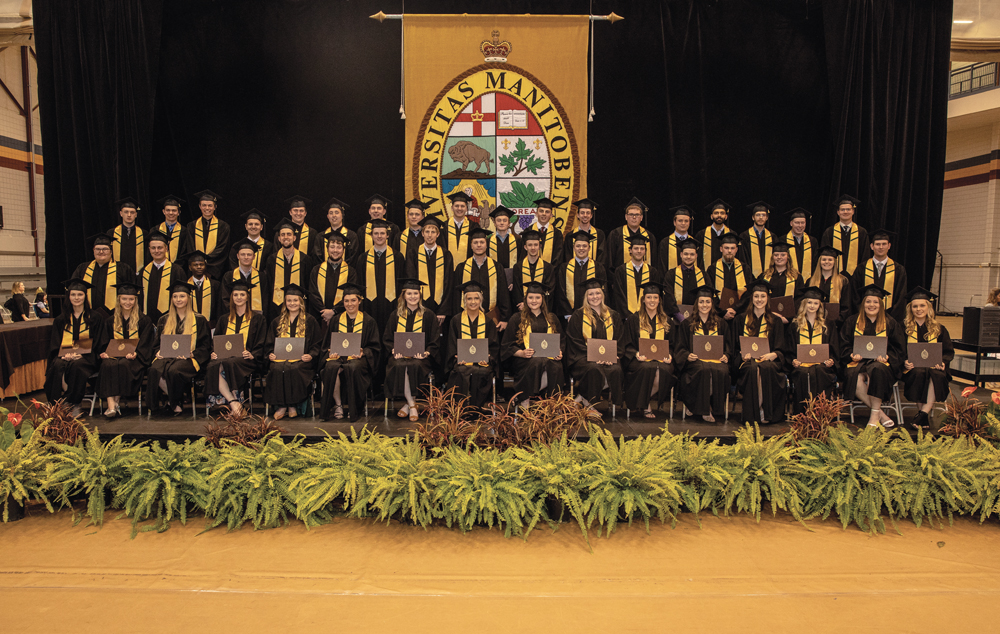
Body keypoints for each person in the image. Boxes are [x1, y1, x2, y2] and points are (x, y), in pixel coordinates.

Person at [839, 284, 906, 429]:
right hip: (857, 362)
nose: (871, 305)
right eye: (868, 301)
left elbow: (899, 348)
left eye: (875, 302)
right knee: (853, 376)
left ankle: (874, 415)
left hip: (881, 363)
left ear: (881, 305)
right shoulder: (852, 321)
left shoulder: (890, 322)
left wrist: (888, 356)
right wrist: (850, 354)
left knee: (877, 369)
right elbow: (843, 343)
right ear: (863, 303)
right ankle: (880, 413)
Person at [147, 282, 212, 416]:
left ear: (188, 298)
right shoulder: (164, 319)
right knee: (154, 370)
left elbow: (206, 345)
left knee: (175, 370)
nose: (178, 300)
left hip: (189, 358)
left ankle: (174, 403)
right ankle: (176, 400)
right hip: (166, 357)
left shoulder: (199, 319)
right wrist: (158, 351)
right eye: (175, 297)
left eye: (182, 296)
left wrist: (192, 354)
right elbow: (156, 343)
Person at [319, 282, 381, 422]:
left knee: (353, 366)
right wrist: (330, 352)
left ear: (359, 301)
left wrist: (363, 352)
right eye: (346, 301)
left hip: (358, 359)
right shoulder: (335, 320)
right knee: (331, 366)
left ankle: (355, 409)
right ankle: (338, 405)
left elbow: (375, 347)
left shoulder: (369, 321)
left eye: (353, 300)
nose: (349, 304)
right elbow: (327, 344)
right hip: (338, 357)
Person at [204, 279, 266, 416]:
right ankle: (234, 402)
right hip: (226, 358)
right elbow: (217, 340)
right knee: (212, 365)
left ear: (247, 297)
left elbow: (262, 341)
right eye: (236, 295)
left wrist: (253, 354)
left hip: (246, 360)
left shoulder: (257, 319)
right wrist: (214, 352)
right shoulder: (224, 319)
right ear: (231, 297)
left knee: (229, 362)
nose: (239, 298)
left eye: (242, 295)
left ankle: (233, 403)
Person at [94, 282, 155, 419]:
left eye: (131, 299)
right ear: (119, 300)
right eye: (124, 299)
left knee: (122, 364)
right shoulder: (110, 321)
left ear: (135, 300)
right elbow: (104, 341)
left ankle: (115, 403)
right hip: (114, 357)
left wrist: (136, 353)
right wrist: (104, 352)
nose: (128, 302)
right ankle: (112, 404)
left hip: (134, 360)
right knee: (107, 364)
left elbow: (146, 343)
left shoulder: (144, 320)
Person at [501, 282, 565, 408]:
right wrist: (521, 353)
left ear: (543, 299)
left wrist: (560, 352)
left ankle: (553, 404)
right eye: (530, 297)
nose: (534, 301)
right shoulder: (516, 318)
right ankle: (524, 400)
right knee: (535, 362)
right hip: (524, 360)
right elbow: (506, 344)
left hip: (548, 359)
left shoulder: (552, 318)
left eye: (537, 297)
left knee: (556, 366)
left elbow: (561, 340)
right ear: (525, 299)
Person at [384, 279, 441, 420]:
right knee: (400, 364)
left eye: (415, 293)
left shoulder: (429, 315)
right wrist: (393, 349)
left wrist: (427, 352)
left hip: (420, 357)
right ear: (403, 295)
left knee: (414, 364)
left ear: (420, 295)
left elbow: (435, 339)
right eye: (409, 293)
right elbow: (387, 338)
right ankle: (412, 405)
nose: (412, 296)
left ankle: (408, 404)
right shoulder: (395, 315)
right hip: (399, 356)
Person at [264, 284, 322, 420]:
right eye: (289, 300)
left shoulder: (310, 321)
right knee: (277, 368)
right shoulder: (277, 321)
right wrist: (270, 354)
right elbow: (269, 344)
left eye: (295, 300)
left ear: (301, 302)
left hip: (302, 361)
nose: (292, 303)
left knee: (295, 368)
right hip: (280, 359)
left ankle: (292, 405)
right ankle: (283, 406)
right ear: (285, 302)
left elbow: (317, 344)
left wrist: (311, 355)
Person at [733, 278, 787, 424]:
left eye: (762, 296)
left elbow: (781, 348)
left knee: (764, 367)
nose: (759, 299)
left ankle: (755, 412)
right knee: (753, 368)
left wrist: (773, 354)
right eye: (756, 296)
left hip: (768, 361)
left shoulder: (776, 321)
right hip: (746, 362)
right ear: (751, 298)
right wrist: (742, 355)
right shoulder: (740, 319)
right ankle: (760, 411)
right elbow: (733, 347)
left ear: (768, 298)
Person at [564, 278, 624, 410]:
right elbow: (574, 340)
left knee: (616, 369)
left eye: (597, 293)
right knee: (594, 368)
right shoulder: (578, 316)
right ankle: (590, 406)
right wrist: (593, 356)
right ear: (586, 297)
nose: (594, 297)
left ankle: (581, 398)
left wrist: (611, 356)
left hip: (608, 358)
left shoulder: (613, 315)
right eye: (590, 294)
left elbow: (619, 339)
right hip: (583, 357)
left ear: (603, 295)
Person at [675, 286, 733, 422]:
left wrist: (726, 355)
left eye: (707, 301)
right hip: (695, 362)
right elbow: (680, 347)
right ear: (696, 304)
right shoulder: (687, 324)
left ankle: (697, 405)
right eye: (701, 302)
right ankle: (703, 408)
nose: (704, 305)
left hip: (716, 361)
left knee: (722, 371)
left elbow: (728, 346)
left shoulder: (721, 323)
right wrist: (687, 355)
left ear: (712, 304)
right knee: (704, 369)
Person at [44, 279, 100, 417]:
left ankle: (73, 404)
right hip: (64, 355)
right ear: (68, 297)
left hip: (86, 357)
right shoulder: (61, 319)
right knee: (57, 365)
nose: (76, 298)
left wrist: (83, 354)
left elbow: (98, 342)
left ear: (85, 296)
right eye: (73, 295)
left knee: (77, 366)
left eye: (80, 295)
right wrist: (63, 355)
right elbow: (55, 343)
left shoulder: (95, 318)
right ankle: (56, 404)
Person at [621, 281, 676, 418]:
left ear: (659, 300)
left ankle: (638, 401)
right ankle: (646, 405)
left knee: (662, 371)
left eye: (655, 297)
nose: (652, 300)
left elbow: (674, 344)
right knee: (646, 368)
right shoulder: (634, 319)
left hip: (661, 360)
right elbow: (626, 343)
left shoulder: (667, 321)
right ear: (643, 299)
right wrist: (636, 353)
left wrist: (670, 355)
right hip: (639, 359)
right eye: (649, 297)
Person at [902, 287, 955, 428]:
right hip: (913, 368)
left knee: (935, 374)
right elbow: (898, 349)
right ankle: (923, 415)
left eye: (922, 305)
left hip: (934, 367)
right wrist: (904, 362)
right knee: (919, 373)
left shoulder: (939, 328)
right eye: (915, 306)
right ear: (910, 308)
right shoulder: (904, 328)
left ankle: (922, 414)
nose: (918, 309)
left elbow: (948, 351)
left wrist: (943, 362)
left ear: (928, 307)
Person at [444, 280, 501, 409]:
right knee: (460, 370)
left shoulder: (488, 322)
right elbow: (452, 343)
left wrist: (488, 356)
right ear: (465, 301)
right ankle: (460, 409)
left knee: (482, 371)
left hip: (482, 362)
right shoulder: (456, 320)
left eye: (476, 298)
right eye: (469, 298)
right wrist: (456, 357)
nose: (473, 302)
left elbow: (494, 345)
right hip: (462, 362)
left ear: (481, 300)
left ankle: (476, 408)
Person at [784, 286, 839, 415]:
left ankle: (821, 412)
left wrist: (831, 360)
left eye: (815, 303)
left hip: (822, 365)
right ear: (804, 304)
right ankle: (801, 414)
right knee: (803, 372)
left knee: (819, 370)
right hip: (801, 366)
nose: (812, 306)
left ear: (820, 305)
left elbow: (834, 347)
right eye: (809, 302)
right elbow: (789, 348)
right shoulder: (794, 325)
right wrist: (793, 361)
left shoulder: (828, 325)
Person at [453, 226, 511, 328]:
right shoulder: (461, 268)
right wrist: (457, 318)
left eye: (482, 242)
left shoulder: (497, 267)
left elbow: (503, 294)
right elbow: (456, 297)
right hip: (466, 318)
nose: (479, 245)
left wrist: (504, 318)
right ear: (471, 245)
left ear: (486, 245)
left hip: (491, 316)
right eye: (475, 243)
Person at [73, 233, 136, 318]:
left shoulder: (123, 269)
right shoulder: (82, 268)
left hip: (116, 317)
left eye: (105, 249)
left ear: (111, 251)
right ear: (93, 250)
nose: (101, 252)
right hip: (87, 317)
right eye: (98, 249)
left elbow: (132, 293)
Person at [405, 216, 454, 326]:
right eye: (427, 231)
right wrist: (415, 305)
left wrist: (443, 310)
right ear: (422, 233)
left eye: (433, 232)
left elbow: (449, 283)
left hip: (440, 307)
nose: (430, 235)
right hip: (419, 305)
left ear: (438, 234)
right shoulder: (413, 253)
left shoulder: (446, 255)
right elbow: (411, 280)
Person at [265, 220, 316, 323]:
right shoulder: (271, 260)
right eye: (283, 235)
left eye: (289, 234)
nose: (286, 237)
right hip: (277, 307)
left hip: (300, 306)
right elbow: (269, 283)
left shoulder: (305, 259)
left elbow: (307, 284)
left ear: (294, 238)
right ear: (279, 239)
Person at [852, 229, 907, 322]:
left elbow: (901, 297)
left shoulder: (899, 269)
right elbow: (855, 295)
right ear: (872, 246)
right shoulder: (861, 268)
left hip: (890, 319)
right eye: (877, 244)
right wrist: (862, 314)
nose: (881, 247)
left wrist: (890, 318)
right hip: (864, 318)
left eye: (884, 244)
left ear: (889, 246)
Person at [359, 219, 403, 336]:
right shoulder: (363, 258)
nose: (379, 236)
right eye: (376, 233)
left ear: (387, 235)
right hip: (369, 306)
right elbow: (360, 284)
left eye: (382, 233)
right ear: (371, 236)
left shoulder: (397, 257)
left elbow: (400, 284)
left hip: (392, 305)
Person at [308, 230, 358, 324]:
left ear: (343, 250)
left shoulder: (351, 272)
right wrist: (324, 312)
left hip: (342, 317)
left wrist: (334, 311)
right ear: (327, 249)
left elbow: (350, 294)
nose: (335, 250)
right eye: (332, 247)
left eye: (339, 247)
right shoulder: (316, 270)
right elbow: (313, 294)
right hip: (319, 317)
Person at [556, 231, 607, 319]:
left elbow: (604, 291)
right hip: (569, 317)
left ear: (589, 248)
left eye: (584, 246)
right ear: (574, 247)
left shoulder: (598, 267)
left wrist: (597, 312)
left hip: (593, 315)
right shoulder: (564, 268)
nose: (581, 248)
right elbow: (560, 292)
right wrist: (568, 314)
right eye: (578, 246)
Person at [612, 233, 664, 317]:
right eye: (636, 248)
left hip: (647, 317)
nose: (639, 251)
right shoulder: (620, 271)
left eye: (642, 249)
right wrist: (628, 316)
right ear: (630, 250)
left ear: (645, 251)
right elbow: (618, 296)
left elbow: (655, 296)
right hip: (625, 318)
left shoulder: (653, 272)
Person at [183, 190, 231, 280]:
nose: (207, 208)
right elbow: (191, 247)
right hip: (196, 268)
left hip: (215, 271)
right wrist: (198, 263)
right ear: (200, 206)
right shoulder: (191, 226)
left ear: (215, 207)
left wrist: (207, 264)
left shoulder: (224, 227)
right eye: (204, 205)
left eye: (210, 205)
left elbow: (222, 249)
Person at [140, 230, 184, 325]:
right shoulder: (144, 271)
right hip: (148, 321)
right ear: (149, 249)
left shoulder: (176, 271)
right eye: (153, 248)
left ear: (166, 248)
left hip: (172, 319)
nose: (156, 251)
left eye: (160, 248)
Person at [821, 194, 870, 276]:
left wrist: (860, 273)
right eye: (843, 210)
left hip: (856, 276)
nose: (845, 212)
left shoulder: (861, 232)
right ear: (838, 212)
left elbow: (865, 255)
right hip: (833, 275)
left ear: (853, 211)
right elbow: (824, 254)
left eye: (848, 209)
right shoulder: (829, 232)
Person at [511, 229, 555, 312]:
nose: (533, 248)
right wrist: (523, 304)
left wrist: (539, 305)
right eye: (530, 245)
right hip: (522, 309)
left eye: (535, 245)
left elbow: (550, 290)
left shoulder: (548, 267)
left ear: (539, 246)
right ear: (525, 247)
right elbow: (517, 289)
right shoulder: (518, 267)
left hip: (542, 310)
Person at [808, 245, 852, 329]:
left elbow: (846, 306)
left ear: (834, 262)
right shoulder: (811, 281)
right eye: (824, 259)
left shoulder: (843, 281)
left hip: (836, 326)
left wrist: (836, 321)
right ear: (819, 261)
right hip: (814, 324)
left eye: (830, 260)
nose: (826, 262)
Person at [607, 197, 657, 268]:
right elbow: (610, 261)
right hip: (621, 277)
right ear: (626, 217)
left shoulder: (649, 236)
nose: (634, 217)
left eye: (637, 215)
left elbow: (654, 262)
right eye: (631, 214)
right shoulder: (615, 234)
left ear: (641, 217)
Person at [708, 232, 748, 321]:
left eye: (732, 248)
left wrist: (736, 309)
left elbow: (748, 294)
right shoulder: (712, 269)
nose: (729, 251)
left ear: (737, 249)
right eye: (726, 248)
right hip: (718, 316)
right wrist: (722, 312)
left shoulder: (745, 268)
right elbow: (711, 293)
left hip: (739, 316)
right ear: (721, 249)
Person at [664, 238, 705, 322]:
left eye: (692, 254)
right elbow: (668, 297)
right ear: (681, 254)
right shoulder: (671, 274)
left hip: (698, 320)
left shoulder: (703, 275)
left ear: (696, 256)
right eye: (686, 254)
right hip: (676, 320)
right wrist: (678, 316)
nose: (688, 257)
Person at [223, 240, 268, 315]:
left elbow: (265, 300)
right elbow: (225, 299)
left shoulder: (261, 277)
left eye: (249, 255)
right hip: (234, 317)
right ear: (238, 256)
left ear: (254, 256)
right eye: (243, 254)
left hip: (256, 319)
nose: (246, 257)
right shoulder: (229, 276)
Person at [761, 242, 803, 315]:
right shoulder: (764, 276)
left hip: (789, 317)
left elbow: (799, 298)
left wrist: (789, 316)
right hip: (768, 315)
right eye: (776, 255)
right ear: (772, 257)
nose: (779, 257)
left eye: (783, 255)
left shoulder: (796, 277)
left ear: (788, 257)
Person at [183, 250, 222, 331]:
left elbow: (219, 308)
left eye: (201, 264)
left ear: (205, 266)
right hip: (189, 326)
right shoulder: (185, 286)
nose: (199, 267)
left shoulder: (215, 285)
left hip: (211, 327)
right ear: (190, 267)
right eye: (195, 265)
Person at [107, 197, 145, 273]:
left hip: (138, 274)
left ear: (136, 214)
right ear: (121, 213)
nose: (129, 215)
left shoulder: (144, 233)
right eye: (126, 212)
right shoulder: (111, 233)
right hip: (117, 273)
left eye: (132, 212)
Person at [564, 198, 605, 267]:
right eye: (582, 213)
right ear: (578, 215)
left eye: (588, 213)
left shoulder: (599, 234)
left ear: (591, 215)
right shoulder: (570, 236)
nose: (585, 215)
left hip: (594, 272)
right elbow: (567, 256)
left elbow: (602, 257)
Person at [319, 197, 360, 267]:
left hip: (346, 273)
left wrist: (341, 270)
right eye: (331, 213)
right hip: (324, 273)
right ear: (328, 216)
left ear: (342, 215)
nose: (334, 215)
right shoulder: (320, 236)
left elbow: (353, 258)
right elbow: (317, 258)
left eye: (337, 212)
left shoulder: (352, 236)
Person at [738, 201, 774, 278]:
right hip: (748, 277)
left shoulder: (772, 237)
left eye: (763, 215)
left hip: (769, 277)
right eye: (758, 215)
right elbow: (742, 259)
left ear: (767, 218)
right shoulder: (744, 236)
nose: (761, 217)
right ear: (753, 217)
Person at [439, 191, 474, 265]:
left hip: (468, 268)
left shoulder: (473, 227)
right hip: (447, 267)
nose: (459, 208)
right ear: (452, 208)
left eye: (462, 206)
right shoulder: (444, 226)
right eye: (457, 206)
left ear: (466, 209)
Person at [657, 205, 695, 273]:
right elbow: (661, 268)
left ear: (689, 222)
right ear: (674, 222)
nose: (683, 223)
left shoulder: (694, 242)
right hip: (670, 282)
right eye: (680, 221)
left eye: (686, 221)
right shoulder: (665, 243)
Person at [697, 199, 732, 271]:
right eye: (716, 213)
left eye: (722, 213)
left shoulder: (731, 234)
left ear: (726, 216)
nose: (719, 215)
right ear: (711, 216)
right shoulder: (701, 234)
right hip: (706, 275)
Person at [527, 197, 563, 265]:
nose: (544, 214)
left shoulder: (557, 234)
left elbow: (558, 257)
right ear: (536, 213)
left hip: (551, 273)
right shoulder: (528, 231)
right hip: (529, 272)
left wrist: (550, 272)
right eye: (541, 211)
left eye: (547, 212)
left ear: (551, 215)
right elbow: (524, 255)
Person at [784, 208, 817, 281]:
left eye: (803, 223)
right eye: (797, 223)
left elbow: (815, 262)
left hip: (809, 281)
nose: (800, 225)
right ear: (791, 223)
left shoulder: (812, 241)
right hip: (788, 280)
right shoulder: (783, 240)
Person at [155, 195, 189, 262]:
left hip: (179, 269)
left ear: (178, 212)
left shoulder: (185, 231)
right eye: (168, 210)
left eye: (174, 210)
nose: (171, 213)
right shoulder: (156, 230)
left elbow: (185, 253)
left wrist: (176, 269)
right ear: (163, 211)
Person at [488, 206, 520, 270]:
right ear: (494, 223)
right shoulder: (488, 241)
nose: (502, 223)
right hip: (493, 275)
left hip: (513, 274)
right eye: (499, 220)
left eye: (504, 221)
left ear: (509, 224)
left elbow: (521, 260)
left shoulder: (517, 240)